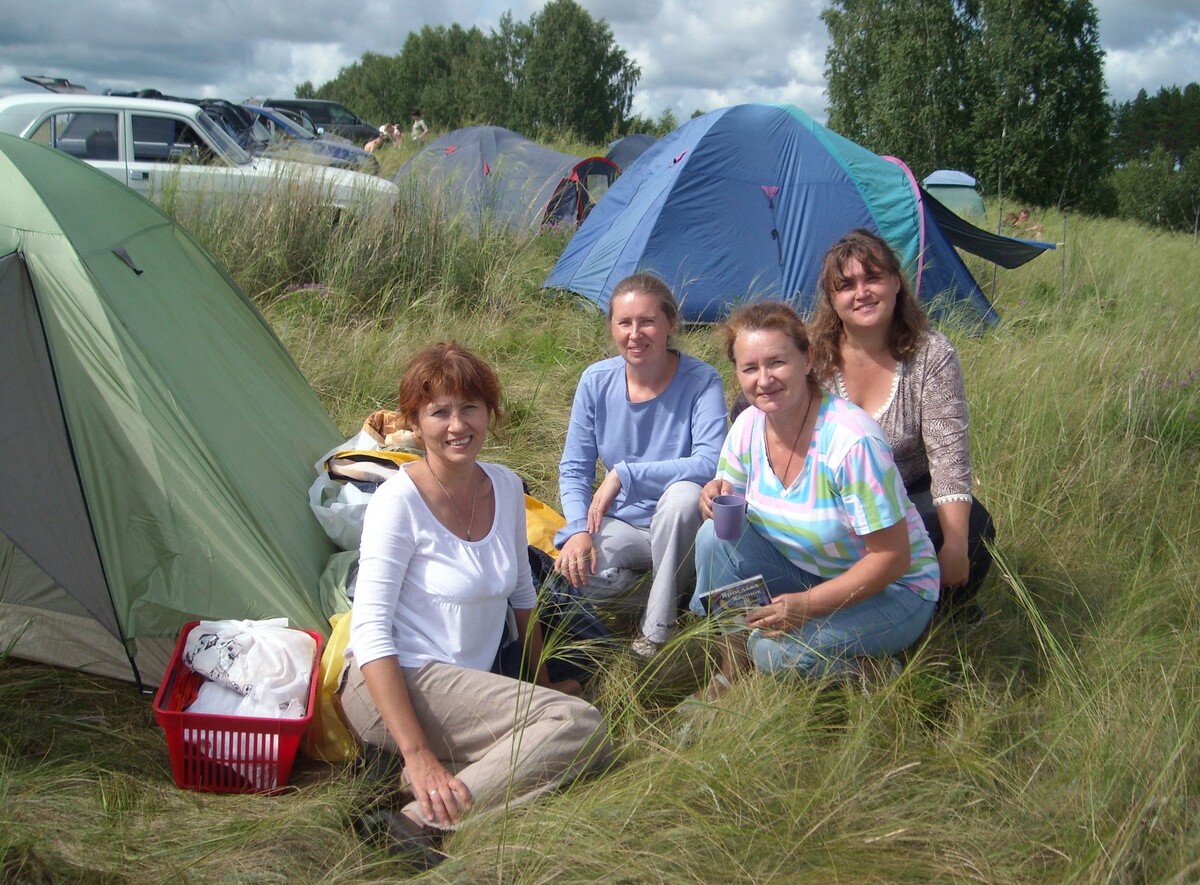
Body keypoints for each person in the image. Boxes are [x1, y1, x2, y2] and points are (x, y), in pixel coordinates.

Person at [339, 342, 612, 867]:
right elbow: (369, 632)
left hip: (468, 683)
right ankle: (417, 819)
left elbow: (522, 595)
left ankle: (406, 781)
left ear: (490, 412)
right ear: (414, 423)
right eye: (439, 412)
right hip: (396, 681)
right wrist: (419, 753)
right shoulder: (398, 501)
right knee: (578, 725)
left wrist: (540, 683)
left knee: (557, 716)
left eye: (470, 408)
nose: (457, 425)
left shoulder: (504, 486)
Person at [690, 302, 939, 690]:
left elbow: (892, 558)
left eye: (777, 362)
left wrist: (806, 606)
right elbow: (730, 508)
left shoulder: (851, 441)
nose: (764, 379)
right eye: (749, 368)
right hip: (808, 570)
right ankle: (731, 671)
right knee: (714, 536)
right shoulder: (747, 427)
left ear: (807, 359)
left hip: (894, 590)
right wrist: (713, 494)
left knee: (772, 652)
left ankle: (873, 672)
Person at [808, 229, 995, 617]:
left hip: (906, 492)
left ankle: (938, 617)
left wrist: (955, 545)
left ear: (896, 282)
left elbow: (949, 459)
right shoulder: (811, 356)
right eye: (846, 285)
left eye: (873, 277)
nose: (862, 292)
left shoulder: (931, 354)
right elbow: (758, 411)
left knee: (972, 525)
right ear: (832, 299)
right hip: (828, 495)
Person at [555, 273, 728, 658]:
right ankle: (678, 596)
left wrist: (625, 474)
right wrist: (578, 529)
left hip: (683, 525)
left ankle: (656, 635)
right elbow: (575, 468)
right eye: (624, 323)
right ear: (612, 328)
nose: (635, 334)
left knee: (683, 496)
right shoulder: (595, 381)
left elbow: (709, 462)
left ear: (671, 324)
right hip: (623, 524)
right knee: (577, 575)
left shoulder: (702, 381)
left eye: (647, 321)